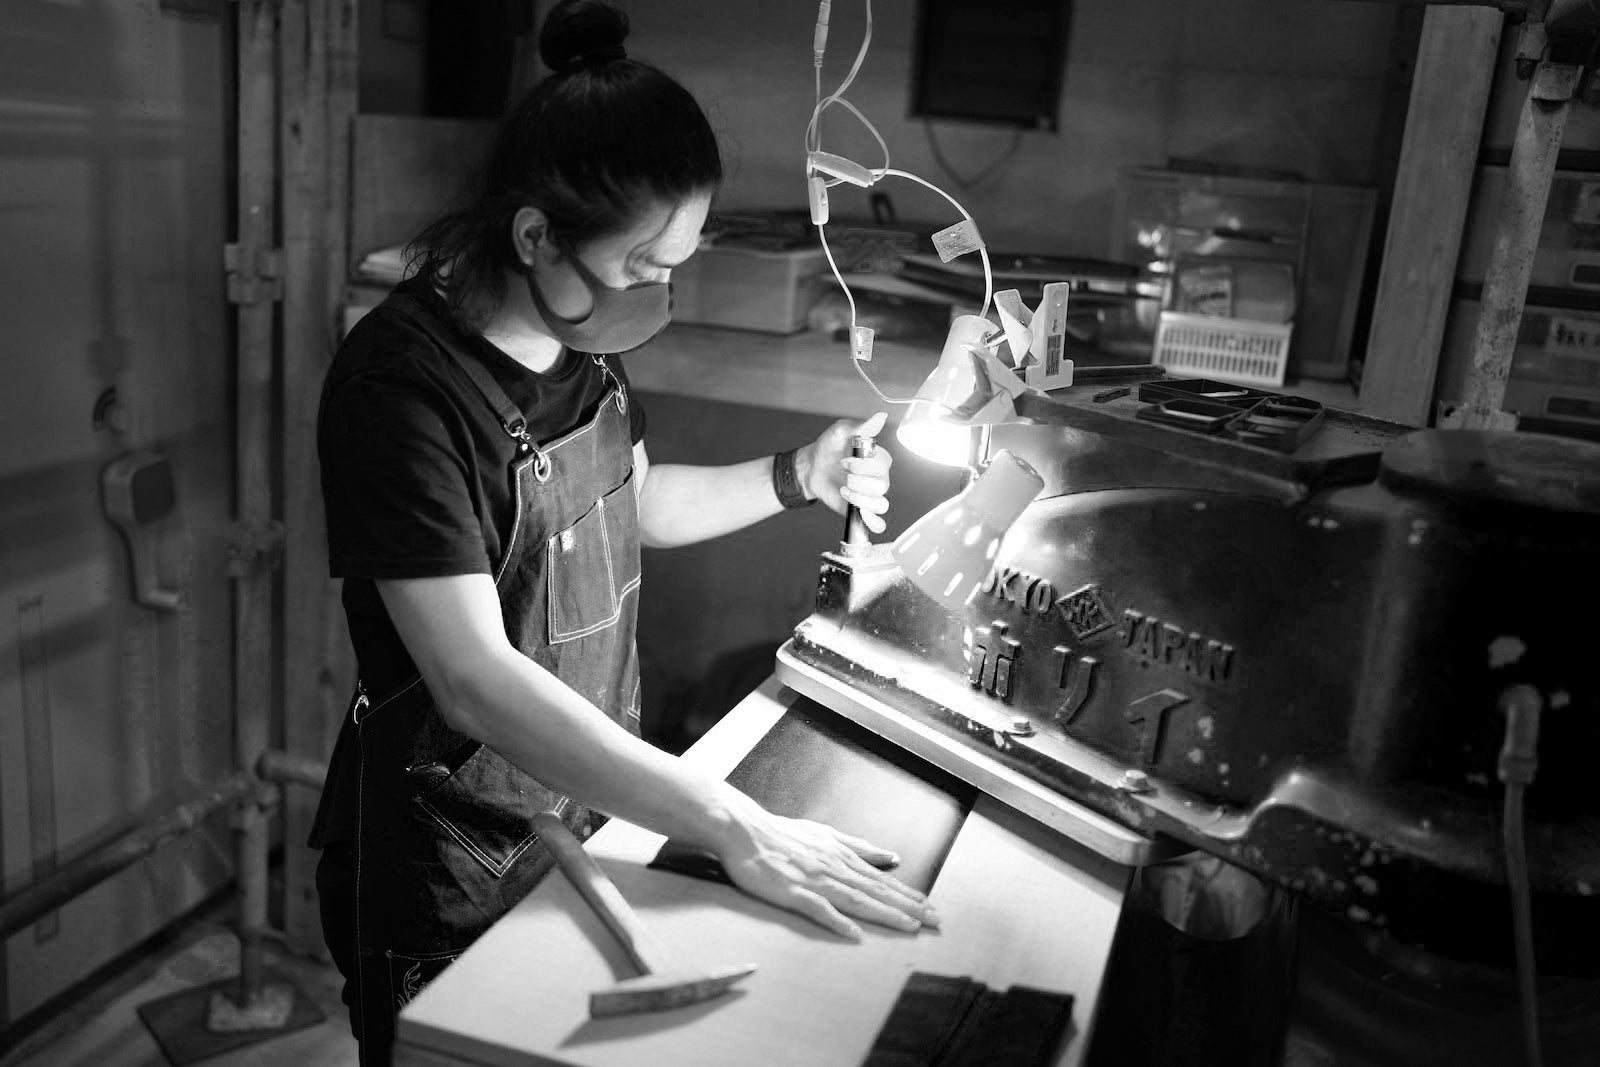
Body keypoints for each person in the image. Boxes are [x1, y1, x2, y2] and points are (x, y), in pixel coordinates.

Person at [308, 1, 936, 1061]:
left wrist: (799, 473)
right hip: (451, 862)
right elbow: (471, 679)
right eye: (643, 266)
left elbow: (632, 505)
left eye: (675, 263)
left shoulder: (580, 344)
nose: (660, 291)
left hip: (583, 812)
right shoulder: (402, 392)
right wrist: (725, 817)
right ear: (535, 235)